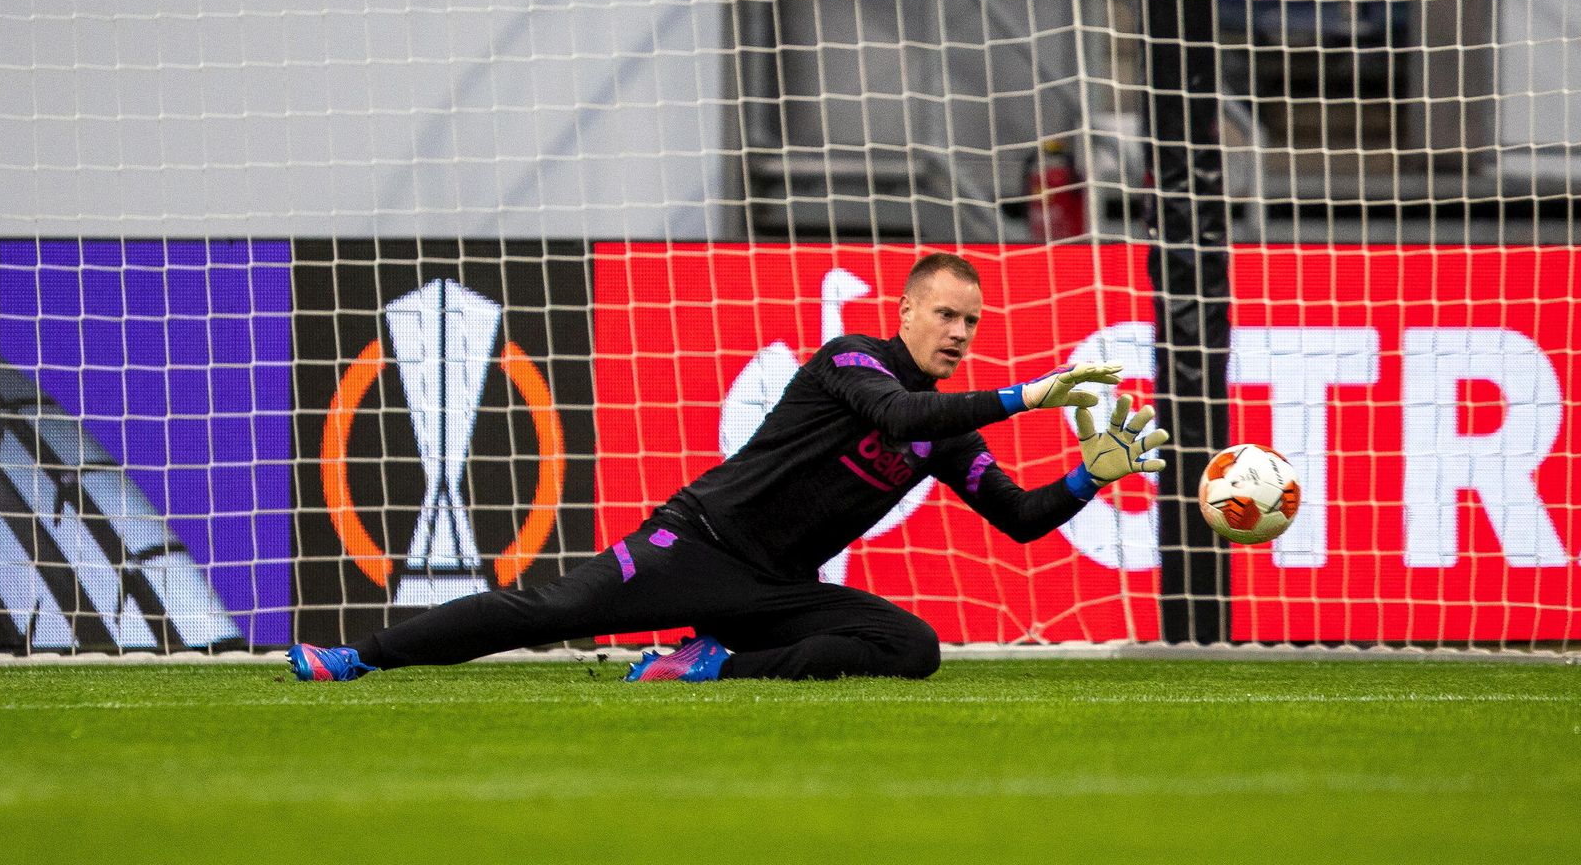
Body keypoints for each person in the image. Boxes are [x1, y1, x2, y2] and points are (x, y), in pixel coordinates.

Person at [287, 253, 1167, 683]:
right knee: (548, 609)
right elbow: (901, 415)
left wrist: (1092, 475)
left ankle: (706, 667)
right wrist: (1027, 397)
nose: (960, 335)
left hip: (778, 588)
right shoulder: (852, 360)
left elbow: (1016, 518)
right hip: (697, 543)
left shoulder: (950, 429)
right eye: (945, 315)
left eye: (971, 324)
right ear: (904, 312)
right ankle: (357, 658)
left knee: (914, 647)